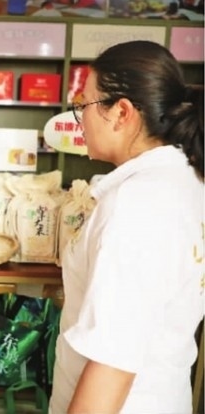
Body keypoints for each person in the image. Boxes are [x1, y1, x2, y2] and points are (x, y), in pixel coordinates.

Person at [50, 40, 204, 413]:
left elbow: (112, 365)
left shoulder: (138, 204)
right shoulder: (185, 180)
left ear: (121, 113)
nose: (79, 119)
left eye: (84, 105)